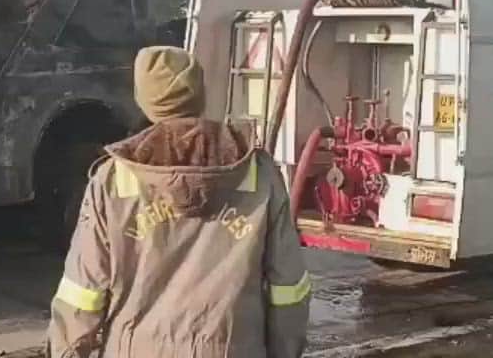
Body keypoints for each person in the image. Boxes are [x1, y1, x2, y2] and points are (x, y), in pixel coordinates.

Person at [45, 46, 310, 358]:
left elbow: (83, 294)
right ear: (199, 94)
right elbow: (288, 286)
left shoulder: (113, 180)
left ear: (144, 100)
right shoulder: (257, 172)